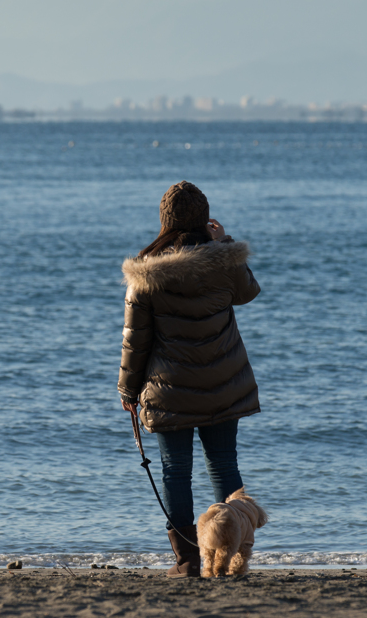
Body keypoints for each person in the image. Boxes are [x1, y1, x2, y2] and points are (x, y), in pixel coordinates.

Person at [117, 181, 261, 578]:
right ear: (204, 219)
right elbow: (249, 291)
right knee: (223, 464)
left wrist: (128, 390)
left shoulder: (146, 275)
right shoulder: (222, 262)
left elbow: (136, 340)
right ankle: (234, 555)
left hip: (170, 390)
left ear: (165, 221)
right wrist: (225, 243)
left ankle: (187, 561)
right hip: (224, 383)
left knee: (175, 471)